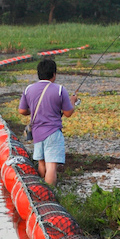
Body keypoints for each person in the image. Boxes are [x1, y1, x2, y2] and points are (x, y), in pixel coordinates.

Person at [19, 58, 76, 186]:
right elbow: (68, 113)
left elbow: (22, 110)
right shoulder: (60, 90)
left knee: (41, 162)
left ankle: (39, 191)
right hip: (53, 133)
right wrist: (73, 101)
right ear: (54, 74)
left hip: (37, 132)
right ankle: (49, 196)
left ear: (39, 73)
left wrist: (33, 110)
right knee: (51, 166)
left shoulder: (29, 89)